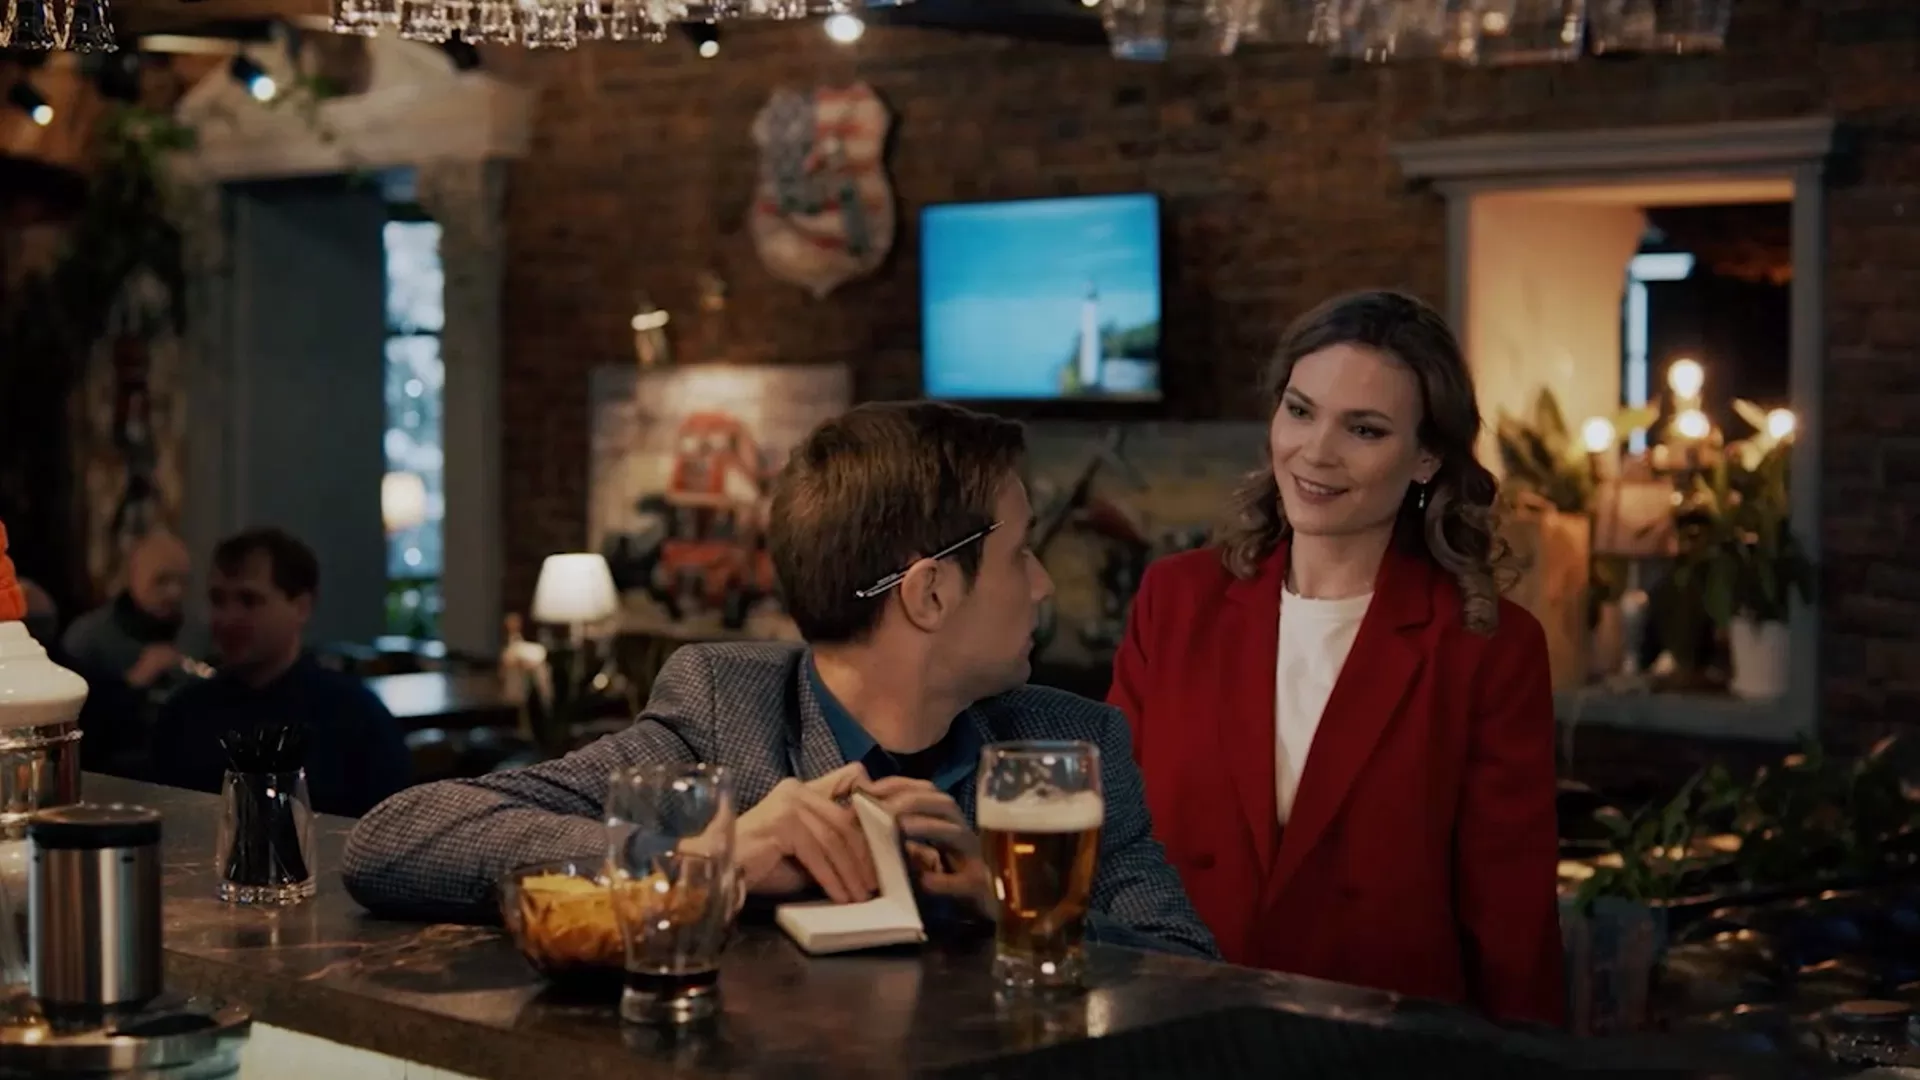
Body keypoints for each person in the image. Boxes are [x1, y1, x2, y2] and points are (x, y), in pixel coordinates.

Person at [343, 402, 1217, 959]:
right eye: (1022, 554)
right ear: (929, 593)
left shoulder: (1068, 744)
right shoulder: (725, 713)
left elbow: (1190, 966)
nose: (1043, 585)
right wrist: (700, 856)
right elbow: (396, 839)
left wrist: (1016, 908)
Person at [1108, 290, 1562, 1025]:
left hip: (1377, 1046)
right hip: (1175, 1027)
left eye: (1364, 429)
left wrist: (1528, 1061)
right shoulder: (1177, 600)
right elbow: (1110, 836)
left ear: (1426, 458)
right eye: (1300, 411)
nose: (1316, 451)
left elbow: (1512, 918)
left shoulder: (1489, 649)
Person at [152, 527, 410, 817]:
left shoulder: (355, 719)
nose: (227, 618)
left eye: (249, 600)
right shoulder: (184, 715)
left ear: (301, 607)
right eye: (218, 600)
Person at [63, 530, 198, 701]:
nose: (175, 592)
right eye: (162, 580)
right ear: (133, 576)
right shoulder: (88, 639)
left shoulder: (199, 635)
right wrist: (134, 681)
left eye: (183, 581)